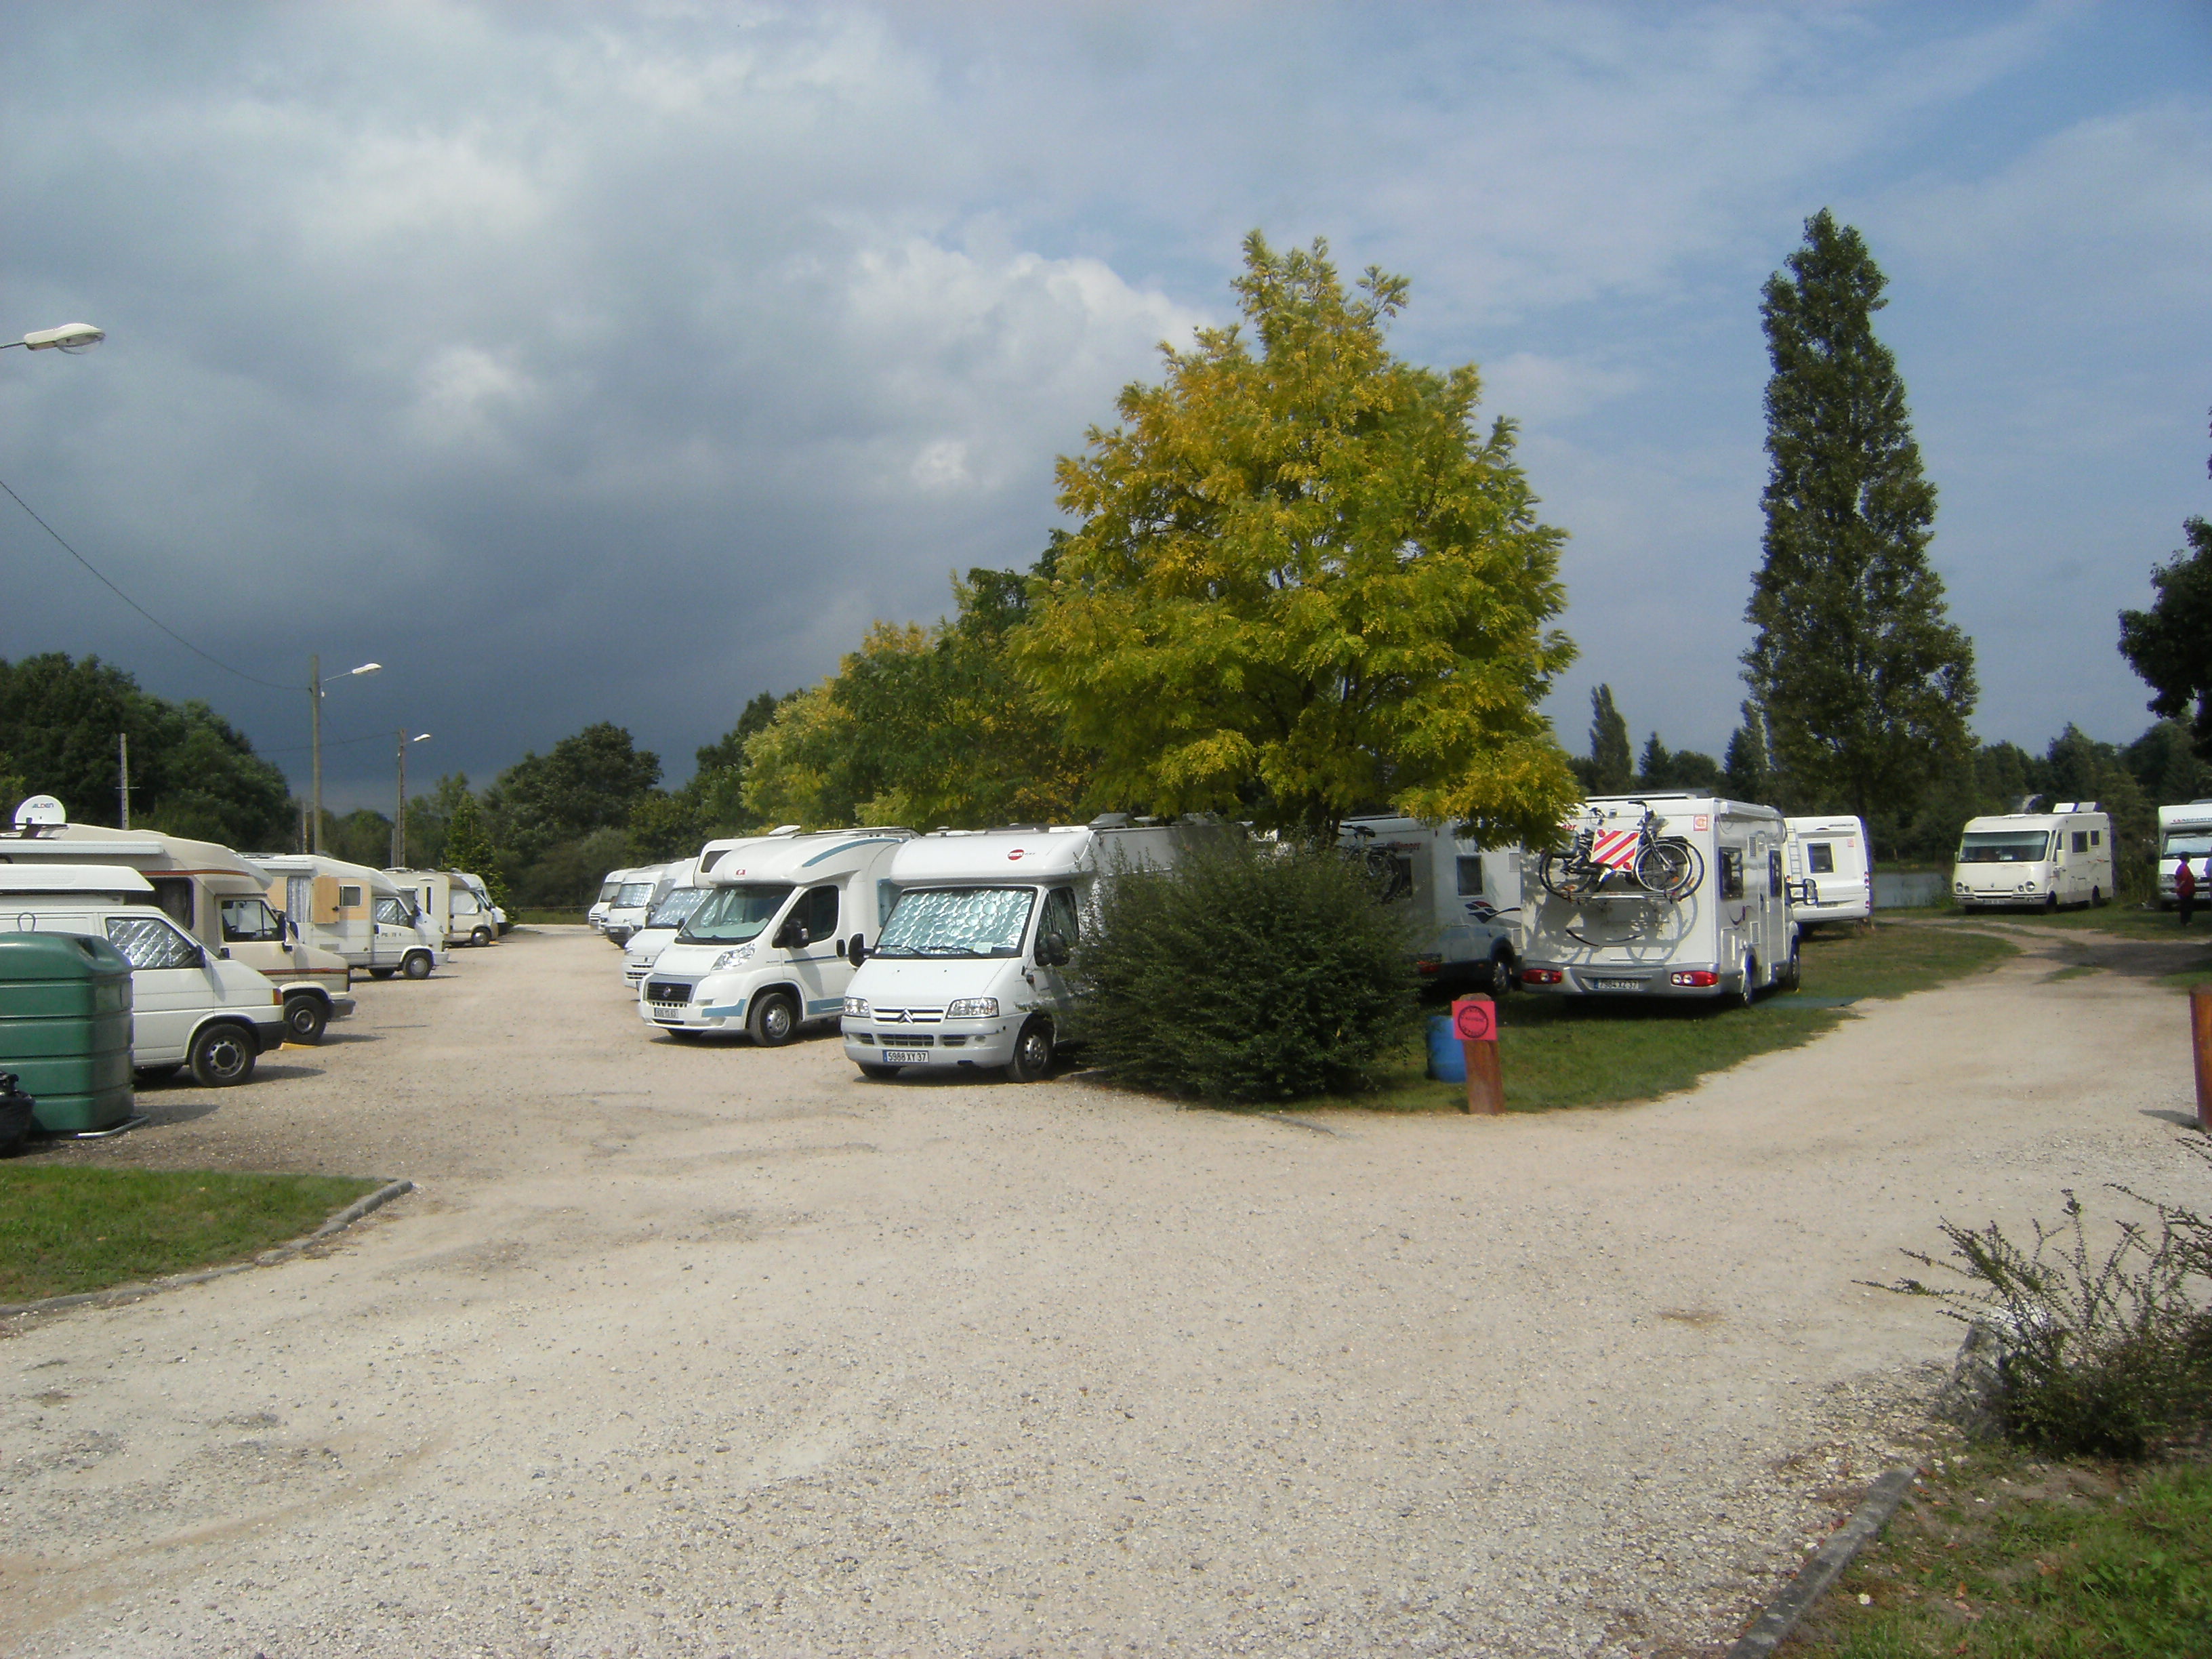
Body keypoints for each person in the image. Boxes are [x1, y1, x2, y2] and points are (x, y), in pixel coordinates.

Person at [2178, 855, 2198, 928]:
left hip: (2185, 890)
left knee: (2184, 906)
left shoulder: (2181, 867)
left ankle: (2184, 921)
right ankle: (2186, 921)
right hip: (2187, 890)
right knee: (2187, 906)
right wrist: (2179, 887)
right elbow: (2184, 879)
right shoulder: (2184, 868)